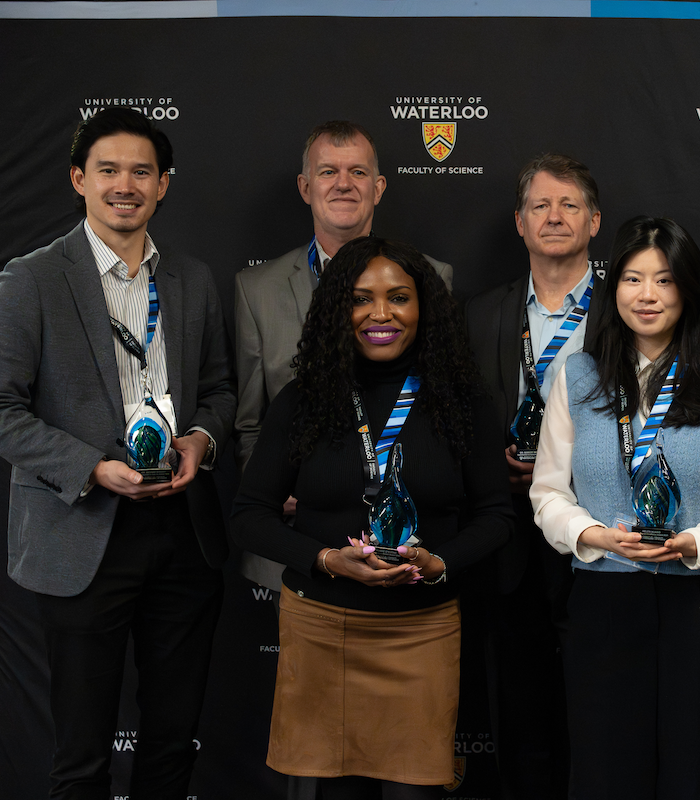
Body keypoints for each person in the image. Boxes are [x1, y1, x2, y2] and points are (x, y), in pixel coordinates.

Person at [0, 107, 235, 798]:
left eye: (141, 171)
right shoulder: (31, 279)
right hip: (82, 532)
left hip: (184, 535)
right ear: (79, 179)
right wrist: (92, 468)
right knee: (81, 754)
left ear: (163, 185)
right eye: (108, 170)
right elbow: (3, 410)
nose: (124, 185)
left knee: (171, 743)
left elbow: (220, 390)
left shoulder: (191, 279)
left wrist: (199, 439)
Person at [231, 236, 511, 799]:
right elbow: (248, 515)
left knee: (416, 793)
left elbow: (497, 515)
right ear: (340, 309)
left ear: (424, 307)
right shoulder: (305, 400)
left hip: (423, 630)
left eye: (399, 298)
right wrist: (325, 559)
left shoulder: (462, 400)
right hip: (322, 630)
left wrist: (439, 564)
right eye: (362, 299)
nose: (380, 314)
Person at [531, 216, 700, 800]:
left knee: (698, 773)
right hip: (604, 600)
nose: (647, 296)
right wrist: (592, 534)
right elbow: (547, 493)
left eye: (664, 281)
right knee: (606, 772)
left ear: (687, 290)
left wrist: (699, 542)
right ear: (613, 288)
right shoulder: (579, 376)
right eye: (633, 279)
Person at [234, 120, 453, 598]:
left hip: (412, 544)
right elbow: (250, 420)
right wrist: (283, 488)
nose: (343, 183)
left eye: (357, 172)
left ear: (378, 188)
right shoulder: (256, 290)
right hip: (299, 540)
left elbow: (444, 401)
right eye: (328, 171)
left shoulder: (435, 278)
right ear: (305, 186)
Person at [463, 153, 603, 798]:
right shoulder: (480, 312)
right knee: (518, 699)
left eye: (569, 205)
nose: (554, 217)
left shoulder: (626, 305)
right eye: (540, 206)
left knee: (596, 698)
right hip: (507, 531)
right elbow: (457, 412)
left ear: (594, 222)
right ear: (519, 223)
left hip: (598, 525)